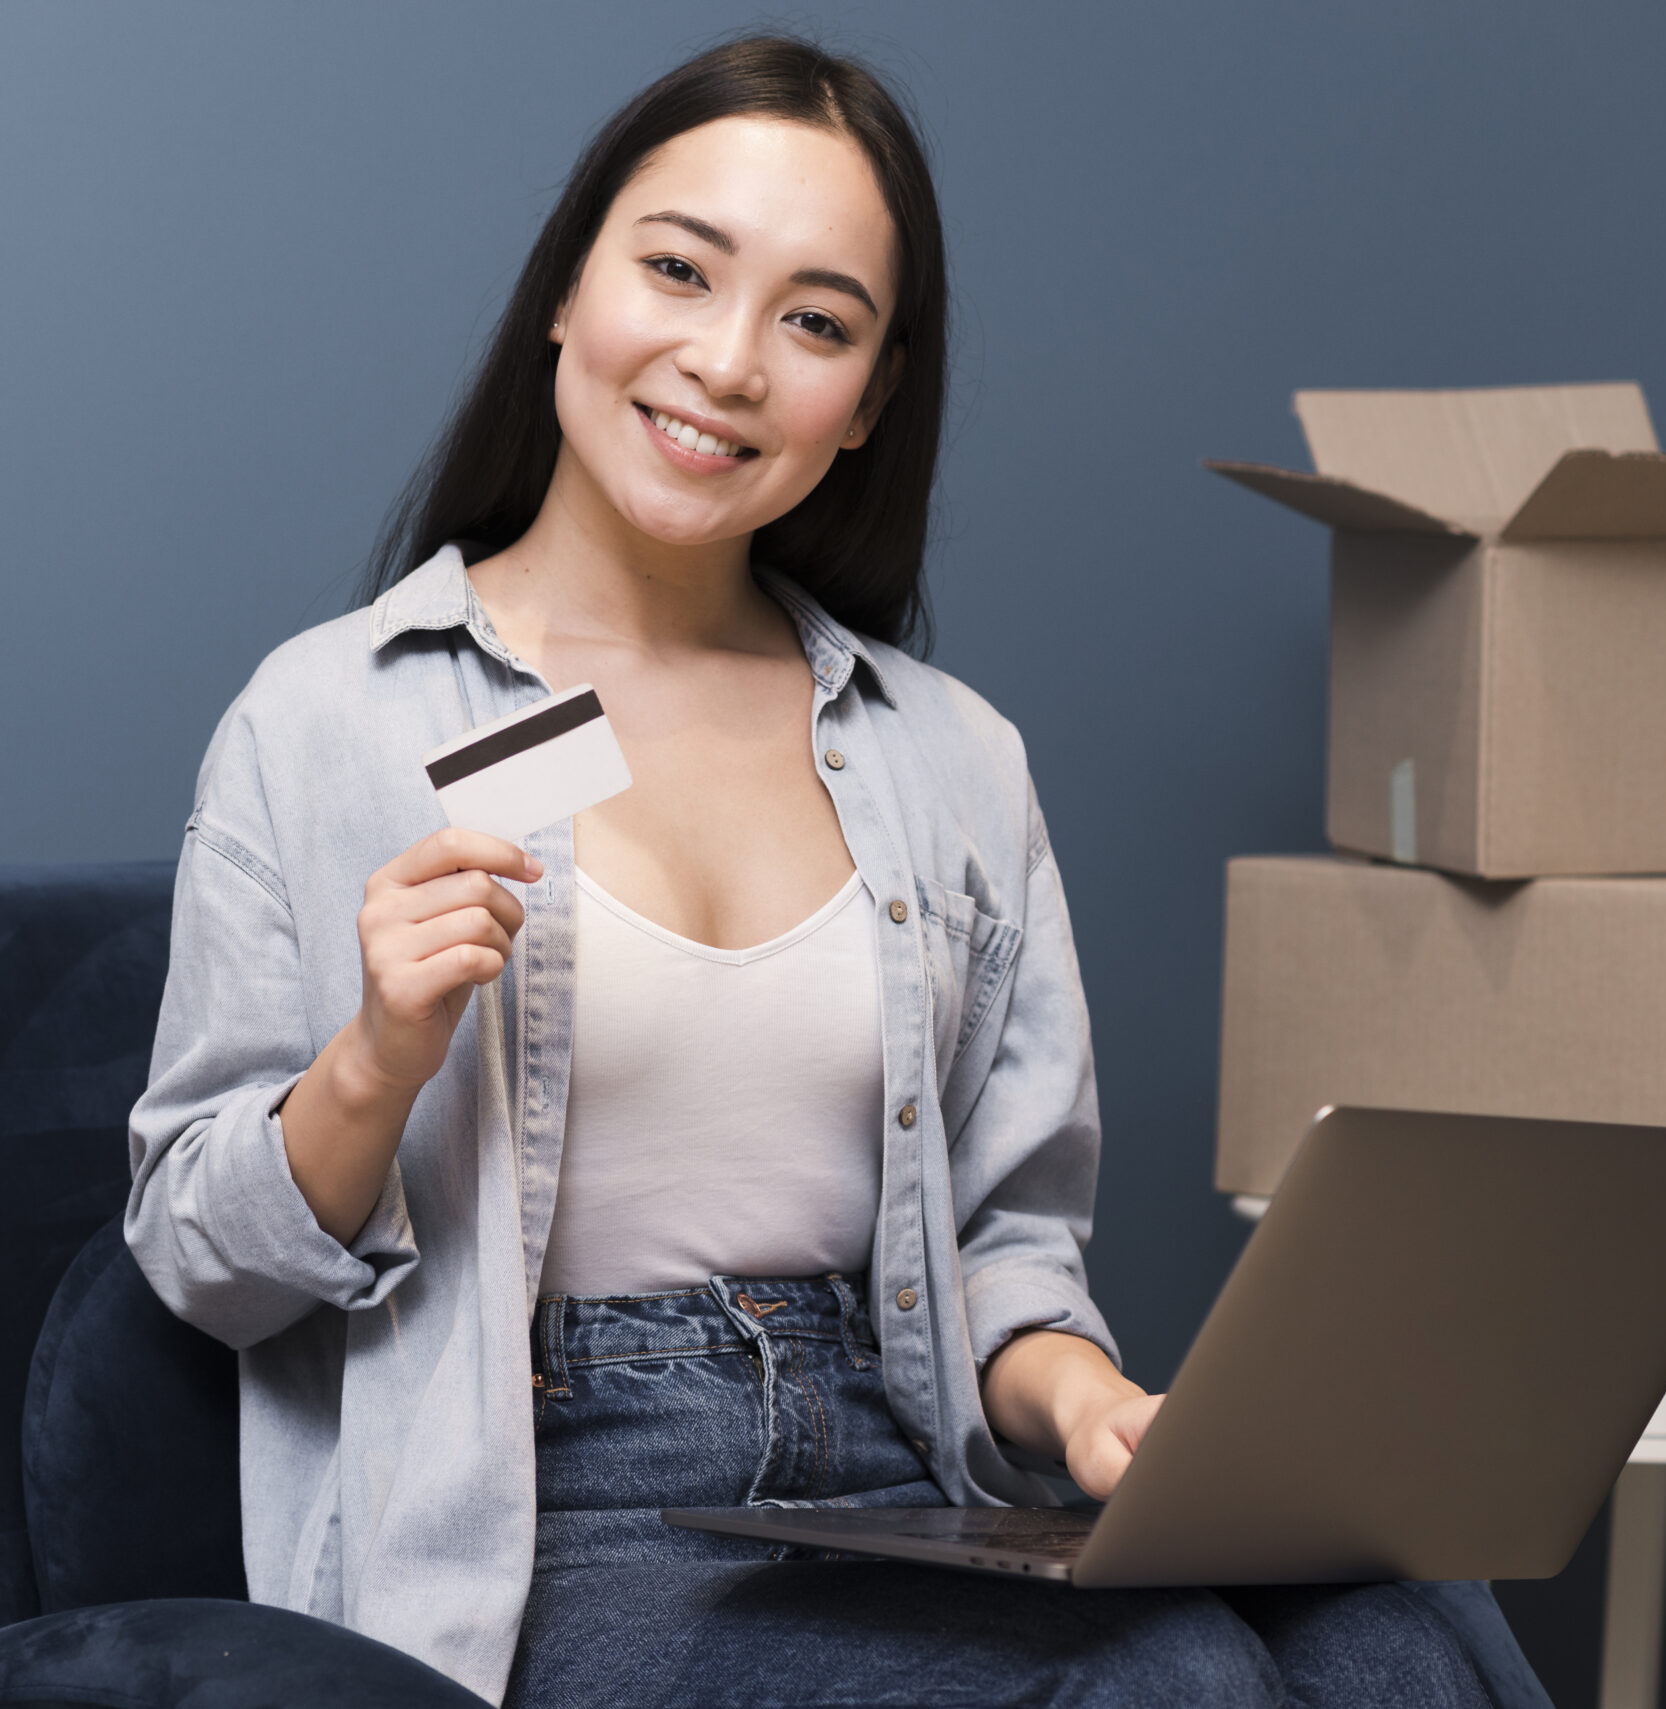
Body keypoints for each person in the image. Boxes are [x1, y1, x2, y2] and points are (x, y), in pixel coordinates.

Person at [126, 34, 1543, 1709]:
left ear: (866, 402)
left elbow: (1011, 1240)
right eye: (677, 270)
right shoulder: (328, 720)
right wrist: (373, 1058)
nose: (728, 362)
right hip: (562, 1509)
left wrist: (1085, 1399)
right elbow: (194, 1254)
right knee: (1172, 1686)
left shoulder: (951, 757)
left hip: (899, 1459)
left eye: (815, 322)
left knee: (1401, 1638)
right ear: (568, 292)